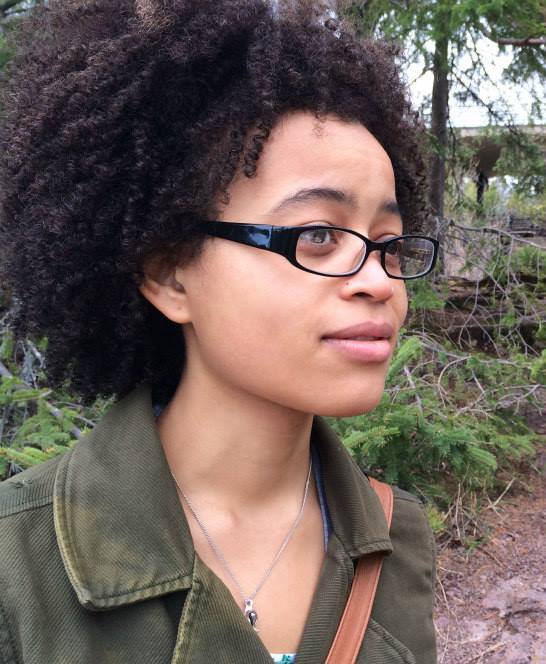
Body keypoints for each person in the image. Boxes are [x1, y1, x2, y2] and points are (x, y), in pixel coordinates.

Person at [0, 1, 438, 662]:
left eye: (389, 243)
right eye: (318, 235)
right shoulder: (19, 566)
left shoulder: (397, 537)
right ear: (169, 274)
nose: (378, 281)